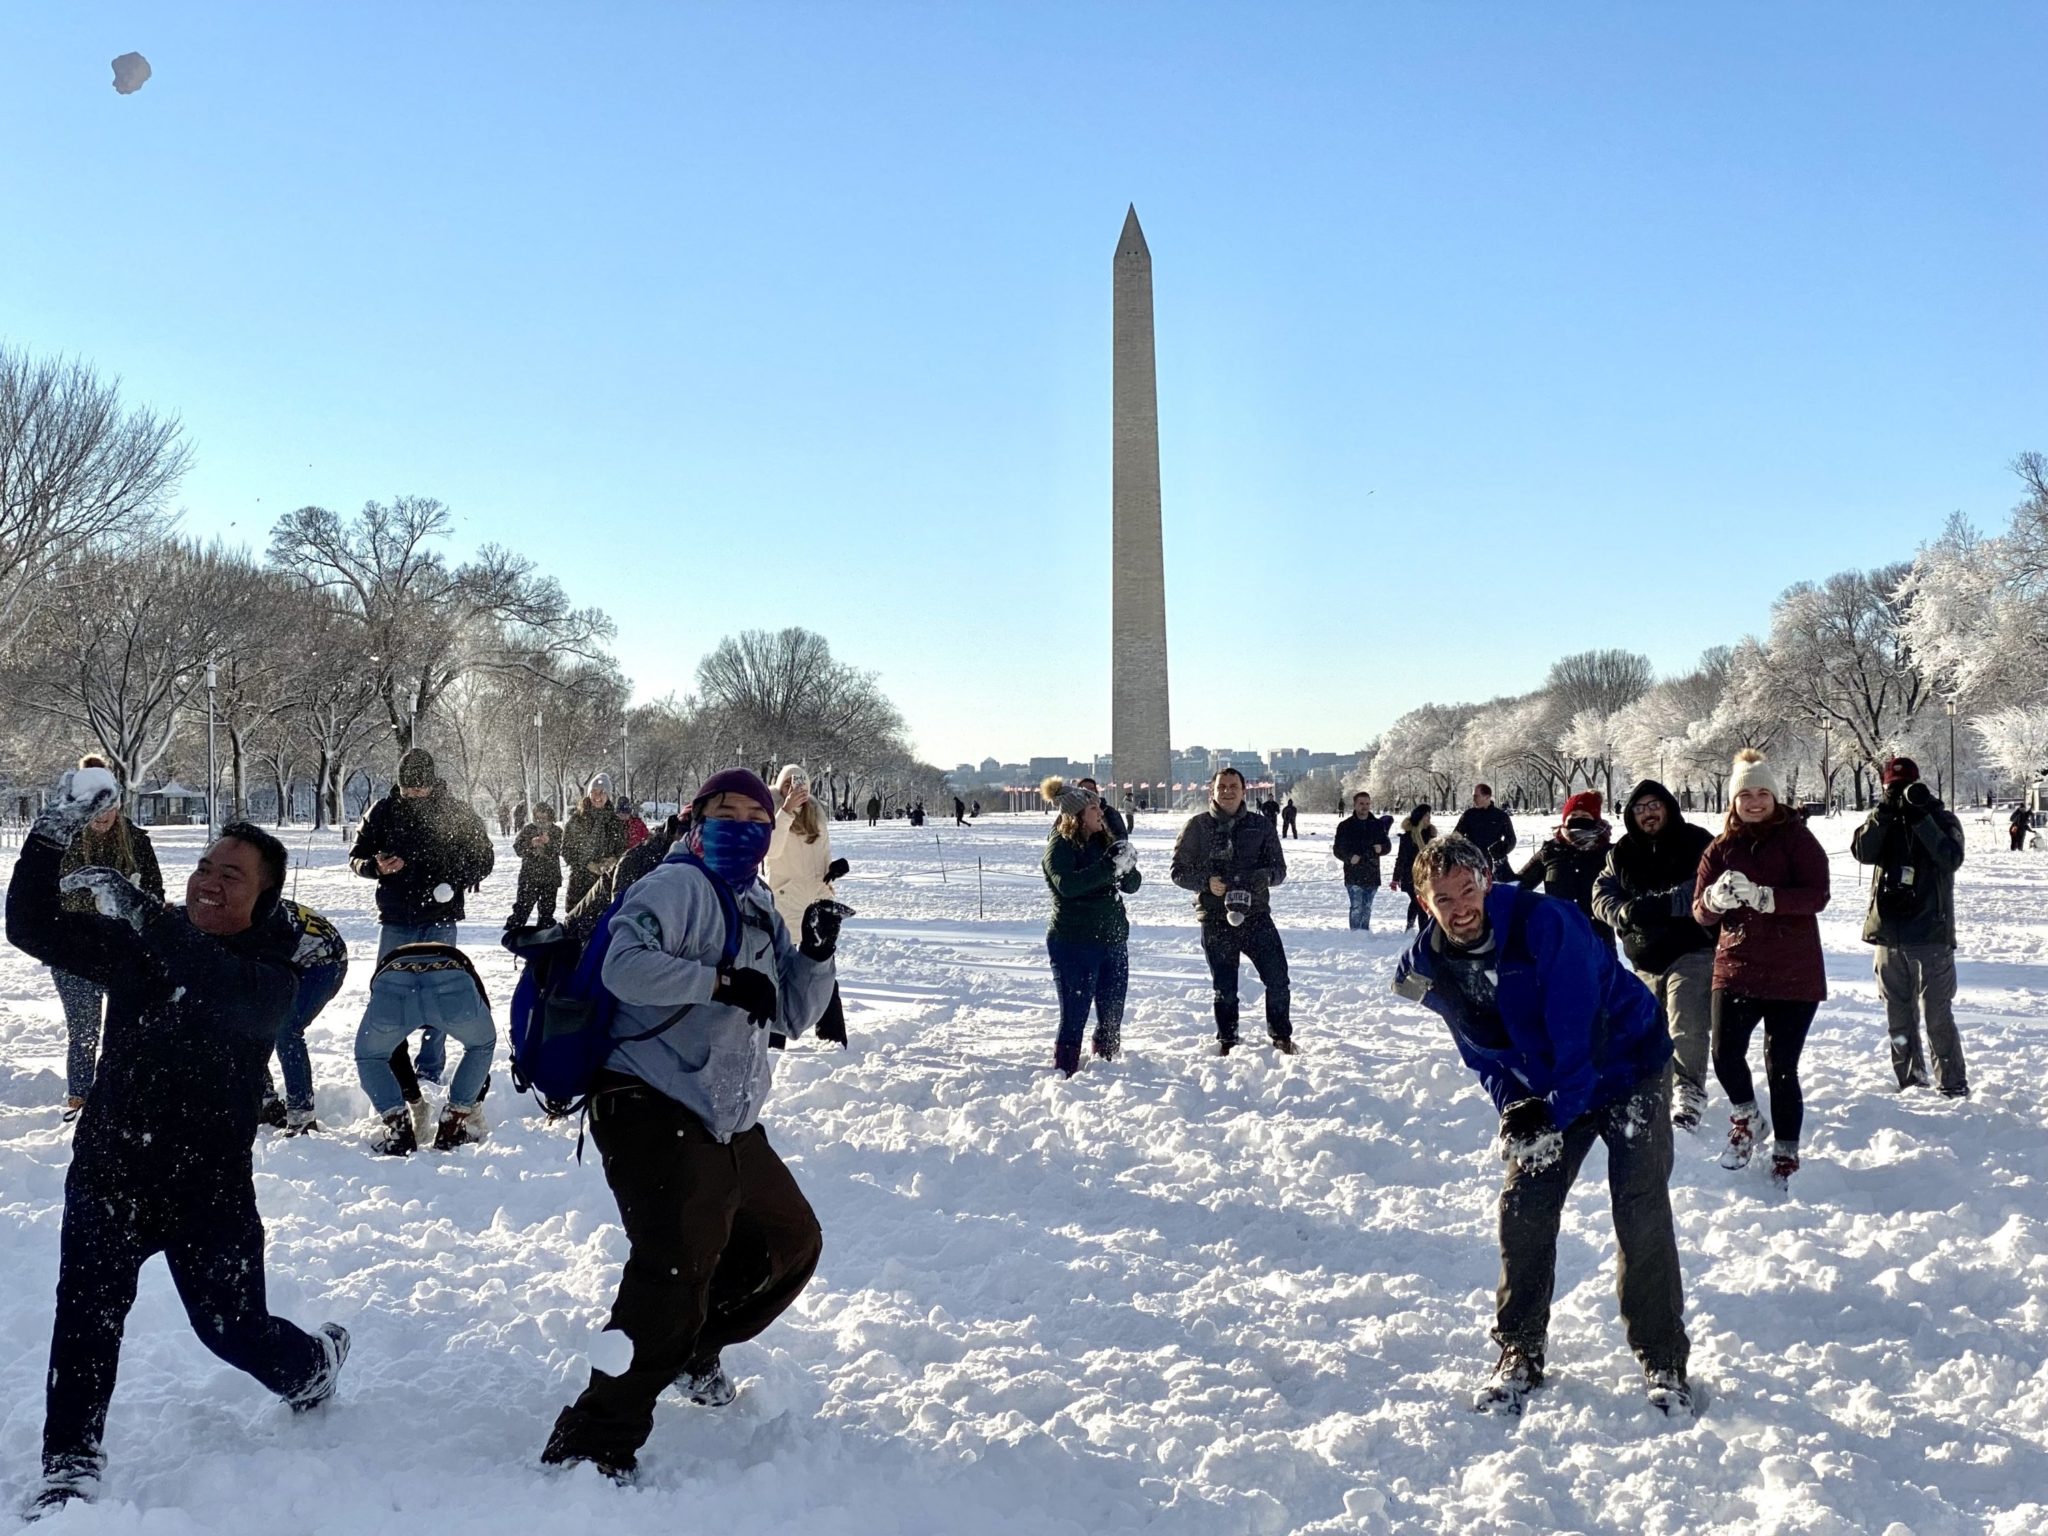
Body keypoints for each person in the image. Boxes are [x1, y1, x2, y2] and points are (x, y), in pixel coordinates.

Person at [7, 779, 350, 1512]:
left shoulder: (271, 979)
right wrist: (50, 834)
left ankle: (312, 1366)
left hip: (209, 1189)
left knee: (234, 1332)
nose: (209, 882)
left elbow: (211, 977)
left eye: (232, 875)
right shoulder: (143, 950)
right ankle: (70, 1465)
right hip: (112, 1168)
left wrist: (143, 910)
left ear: (263, 898)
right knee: (86, 1311)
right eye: (204, 868)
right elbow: (31, 925)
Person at [540, 769, 841, 1482]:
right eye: (723, 811)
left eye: (752, 815)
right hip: (648, 1098)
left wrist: (818, 956)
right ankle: (593, 1438)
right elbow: (624, 966)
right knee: (673, 1269)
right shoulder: (674, 886)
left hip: (727, 1112)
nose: (739, 824)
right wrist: (716, 981)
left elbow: (792, 1015)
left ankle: (691, 1348)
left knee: (788, 1240)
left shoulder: (759, 904)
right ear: (696, 820)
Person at [1392, 833, 1690, 1417]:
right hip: (1546, 1084)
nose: (1459, 907)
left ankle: (1662, 1355)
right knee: (1524, 1205)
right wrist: (1515, 1106)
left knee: (1639, 1203)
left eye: (1467, 889)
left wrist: (1552, 1110)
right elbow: (1480, 1052)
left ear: (1487, 880)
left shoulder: (1547, 924)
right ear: (1425, 903)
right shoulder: (1430, 963)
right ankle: (1519, 1349)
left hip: (1626, 1065)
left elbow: (1581, 1038)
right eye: (1443, 898)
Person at [1693, 749, 1831, 1186]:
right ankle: (1747, 1118)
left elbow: (1818, 894)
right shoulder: (1719, 849)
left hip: (1794, 970)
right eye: (1745, 795)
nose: (1754, 802)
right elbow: (1699, 910)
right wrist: (1715, 901)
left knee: (1782, 1065)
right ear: (1732, 801)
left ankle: (1786, 1150)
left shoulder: (1797, 839)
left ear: (1774, 796)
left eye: (1762, 793)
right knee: (1724, 1053)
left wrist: (1767, 897)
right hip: (1737, 965)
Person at [349, 747, 495, 1085]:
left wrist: (455, 874)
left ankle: (429, 1067)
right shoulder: (382, 812)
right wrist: (375, 866)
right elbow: (357, 856)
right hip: (396, 917)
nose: (413, 792)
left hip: (440, 916)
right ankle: (392, 1062)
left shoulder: (456, 812)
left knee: (440, 991)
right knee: (389, 993)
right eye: (407, 786)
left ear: (432, 783)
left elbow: (484, 857)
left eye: (420, 786)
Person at [1591, 780, 1717, 1131]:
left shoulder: (1697, 840)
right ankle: (1650, 1086)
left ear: (1668, 806)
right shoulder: (1622, 853)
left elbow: (1707, 885)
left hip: (1693, 948)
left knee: (1686, 1021)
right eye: (1639, 808)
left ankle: (1688, 1093)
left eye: (1653, 805)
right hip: (1644, 957)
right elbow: (1601, 893)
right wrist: (1626, 913)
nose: (1648, 813)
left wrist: (1665, 905)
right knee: (1644, 1027)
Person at [50, 755, 163, 1121]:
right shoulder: (63, 842)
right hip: (76, 950)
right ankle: (79, 1099)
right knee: (83, 1029)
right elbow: (52, 896)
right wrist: (97, 900)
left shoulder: (136, 841)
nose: (103, 816)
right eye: (96, 808)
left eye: (110, 807)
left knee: (126, 1027)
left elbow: (155, 892)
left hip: (124, 950)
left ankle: (123, 1097)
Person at [1850, 757, 1969, 1096]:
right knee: (1897, 1016)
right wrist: (1884, 812)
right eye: (1892, 788)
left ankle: (1952, 1083)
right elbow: (1862, 850)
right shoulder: (1882, 819)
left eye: (1907, 787)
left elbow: (1951, 858)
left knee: (1937, 1015)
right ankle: (1910, 1080)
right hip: (1888, 933)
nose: (1900, 793)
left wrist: (1922, 818)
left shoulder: (1941, 819)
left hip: (1931, 932)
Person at [1170, 766, 1295, 1055]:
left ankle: (1281, 1035)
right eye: (1222, 787)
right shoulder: (1197, 826)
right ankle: (1227, 1039)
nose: (1227, 791)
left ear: (1243, 791)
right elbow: (1178, 872)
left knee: (1278, 978)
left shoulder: (1260, 825)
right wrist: (1205, 883)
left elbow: (1279, 869)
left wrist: (1263, 877)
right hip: (1215, 917)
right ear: (1212, 791)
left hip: (1256, 915)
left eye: (1233, 787)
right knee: (1225, 987)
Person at [354, 938, 497, 1155]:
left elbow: (390, 1053)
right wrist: (469, 1102)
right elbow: (481, 1044)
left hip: (392, 980)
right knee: (480, 1045)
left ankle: (399, 1130)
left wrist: (411, 1098)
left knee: (370, 1056)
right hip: (452, 976)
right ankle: (452, 1125)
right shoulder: (465, 971)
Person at [1041, 777, 1140, 1074]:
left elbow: (1133, 884)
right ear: (1078, 816)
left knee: (1112, 1015)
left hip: (1112, 940)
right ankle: (1065, 1071)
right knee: (1075, 1014)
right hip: (1074, 942)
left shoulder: (1105, 840)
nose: (1101, 812)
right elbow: (1067, 885)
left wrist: (1127, 867)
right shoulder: (1059, 845)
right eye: (1094, 808)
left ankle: (1106, 1067)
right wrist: (1108, 867)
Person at [765, 765, 850, 1047]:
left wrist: (834, 869)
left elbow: (822, 854)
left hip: (816, 896)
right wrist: (787, 810)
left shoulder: (816, 813)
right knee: (780, 970)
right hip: (785, 900)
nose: (794, 788)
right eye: (788, 783)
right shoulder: (772, 810)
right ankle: (774, 1039)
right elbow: (769, 850)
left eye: (800, 782)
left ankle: (832, 1036)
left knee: (822, 964)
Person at [256, 899, 350, 1136]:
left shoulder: (246, 920)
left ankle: (302, 1115)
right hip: (288, 959)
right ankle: (264, 1102)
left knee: (286, 1030)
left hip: (324, 961)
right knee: (248, 1025)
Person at [1515, 791, 1617, 952]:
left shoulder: (1610, 853)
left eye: (1585, 814)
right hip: (1559, 943)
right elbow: (1518, 886)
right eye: (1574, 814)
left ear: (1595, 818)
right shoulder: (1551, 850)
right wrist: (1500, 862)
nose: (1578, 818)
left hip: (1600, 944)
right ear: (1565, 818)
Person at [563, 773, 629, 911]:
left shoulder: (615, 822)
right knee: (574, 924)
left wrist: (612, 860)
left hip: (605, 882)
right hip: (579, 882)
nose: (597, 796)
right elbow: (566, 850)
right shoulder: (577, 819)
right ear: (588, 794)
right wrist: (587, 864)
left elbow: (622, 849)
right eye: (594, 792)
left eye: (602, 792)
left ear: (608, 795)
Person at [1331, 791, 1392, 931]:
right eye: (1361, 804)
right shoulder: (1345, 826)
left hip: (1372, 872)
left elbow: (1387, 846)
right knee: (1356, 906)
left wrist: (1381, 848)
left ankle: (1364, 932)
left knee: (1367, 906)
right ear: (1355, 805)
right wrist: (1349, 857)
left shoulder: (1377, 825)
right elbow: (1337, 849)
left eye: (1367, 804)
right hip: (1353, 873)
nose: (1365, 807)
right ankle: (1355, 934)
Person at [509, 804, 565, 928]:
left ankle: (543, 938)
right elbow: (518, 849)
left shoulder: (557, 831)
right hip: (529, 876)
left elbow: (562, 849)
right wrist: (530, 844)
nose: (541, 821)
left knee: (547, 912)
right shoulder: (528, 829)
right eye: (538, 818)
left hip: (550, 877)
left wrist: (549, 843)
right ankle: (515, 935)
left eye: (544, 818)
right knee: (521, 910)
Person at [1454, 783, 1518, 882]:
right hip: (1472, 864)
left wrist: (1501, 851)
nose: (1473, 799)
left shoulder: (1501, 816)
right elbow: (1455, 837)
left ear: (1487, 797)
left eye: (1476, 796)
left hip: (1492, 865)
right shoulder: (1469, 815)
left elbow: (1511, 839)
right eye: (1473, 796)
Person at [1389, 804, 1436, 931]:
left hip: (1425, 875)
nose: (1429, 818)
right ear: (1420, 817)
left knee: (1417, 902)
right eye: (1426, 815)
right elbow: (1401, 858)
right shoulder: (1407, 837)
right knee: (1418, 903)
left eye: (1429, 815)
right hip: (1409, 875)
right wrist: (1395, 878)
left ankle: (1410, 928)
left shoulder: (1431, 836)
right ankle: (1422, 931)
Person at [1076, 776, 1129, 840]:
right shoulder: (1073, 813)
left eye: (1091, 789)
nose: (1089, 792)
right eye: (1085, 790)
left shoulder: (1110, 812)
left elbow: (1121, 836)